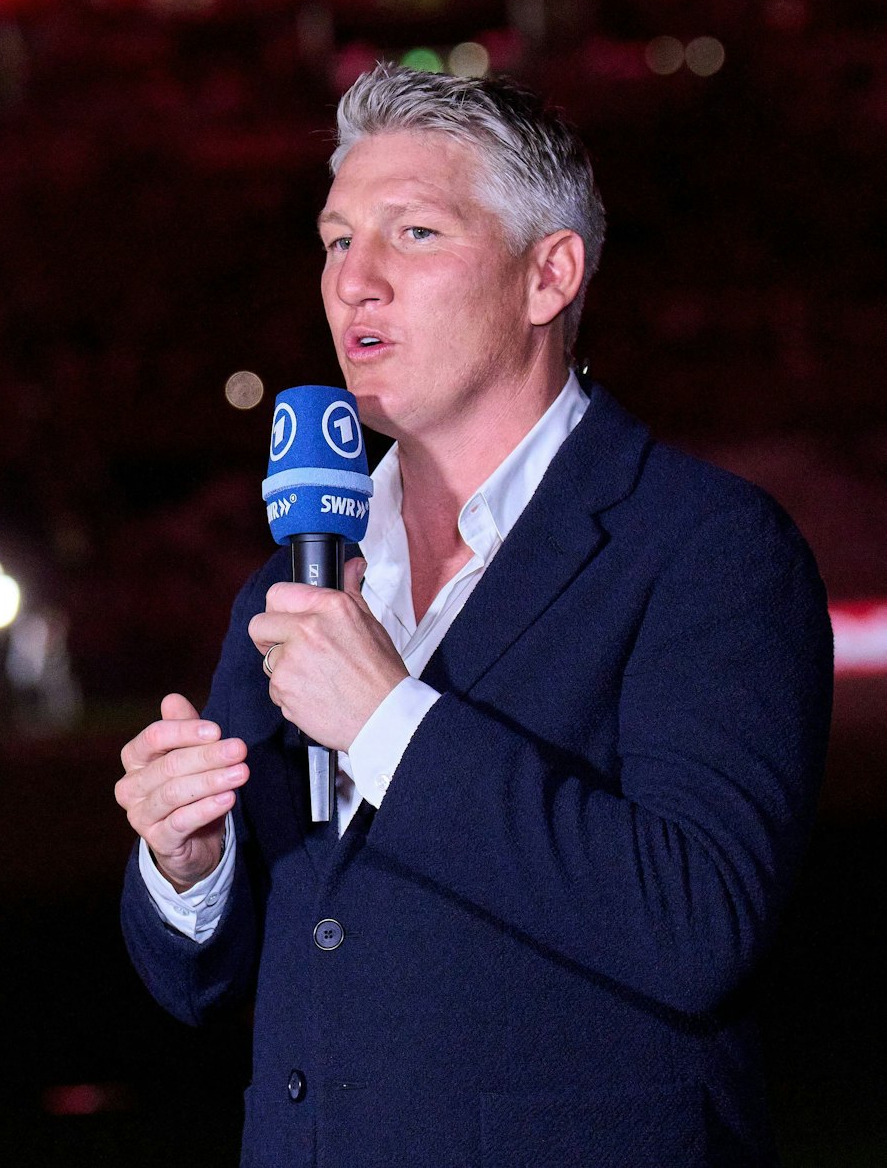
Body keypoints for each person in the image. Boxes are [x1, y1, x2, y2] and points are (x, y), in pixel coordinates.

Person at [116, 64, 831, 1166]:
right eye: (337, 238)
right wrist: (188, 864)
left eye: (412, 233)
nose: (355, 280)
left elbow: (699, 922)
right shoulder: (299, 575)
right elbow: (225, 975)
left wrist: (390, 719)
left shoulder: (708, 546)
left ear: (549, 274)